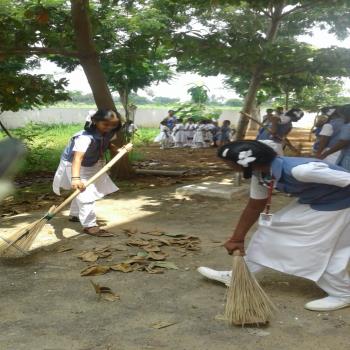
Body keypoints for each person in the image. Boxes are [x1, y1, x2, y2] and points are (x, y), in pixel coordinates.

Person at [198, 140, 350, 311]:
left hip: (340, 206)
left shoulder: (302, 171)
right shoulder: (261, 174)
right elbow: (255, 205)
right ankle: (240, 276)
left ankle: (343, 293)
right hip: (317, 203)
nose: (226, 166)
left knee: (316, 249)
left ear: (246, 163)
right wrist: (237, 238)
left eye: (228, 163)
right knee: (272, 231)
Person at [53, 109, 122, 236]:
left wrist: (117, 150)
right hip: (74, 164)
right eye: (106, 124)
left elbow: (106, 143)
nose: (109, 128)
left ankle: (75, 214)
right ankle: (89, 225)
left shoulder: (109, 132)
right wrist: (75, 178)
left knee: (80, 191)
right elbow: (77, 158)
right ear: (95, 121)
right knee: (85, 194)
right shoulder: (84, 138)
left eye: (113, 125)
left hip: (92, 162)